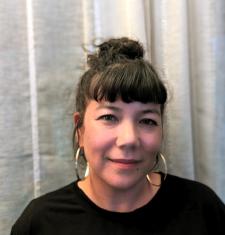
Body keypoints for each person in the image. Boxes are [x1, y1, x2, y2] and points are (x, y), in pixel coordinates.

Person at [11, 37, 225, 235]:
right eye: (109, 118)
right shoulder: (40, 223)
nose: (129, 139)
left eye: (147, 121)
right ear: (80, 130)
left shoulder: (203, 209)